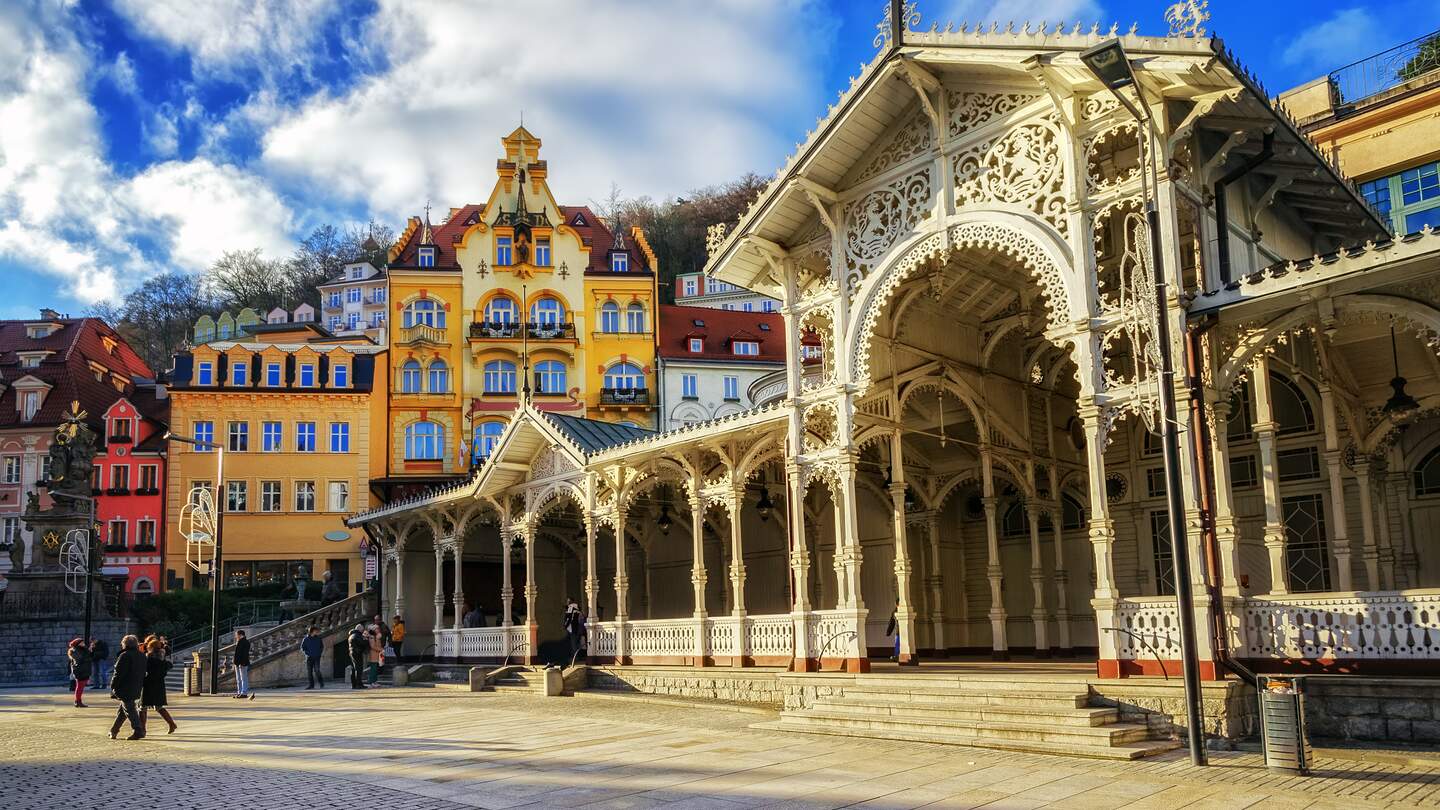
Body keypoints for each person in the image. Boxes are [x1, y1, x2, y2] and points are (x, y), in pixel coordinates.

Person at [108, 635, 146, 740]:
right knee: (123, 711)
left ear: (125, 644)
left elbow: (118, 673)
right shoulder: (142, 655)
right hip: (136, 686)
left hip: (125, 687)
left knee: (129, 710)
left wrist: (113, 685)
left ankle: (138, 730)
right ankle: (114, 730)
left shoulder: (124, 655)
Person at [140, 638, 177, 735]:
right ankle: (171, 724)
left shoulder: (148, 659)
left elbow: (144, 671)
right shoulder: (163, 661)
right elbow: (168, 666)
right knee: (158, 707)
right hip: (159, 686)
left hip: (148, 685)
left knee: (142, 707)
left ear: (150, 648)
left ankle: (143, 729)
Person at [67, 638, 92, 708]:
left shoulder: (82, 650)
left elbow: (87, 658)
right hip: (80, 671)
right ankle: (78, 701)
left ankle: (78, 701)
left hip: (84, 670)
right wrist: (88, 652)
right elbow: (79, 659)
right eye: (82, 642)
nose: (83, 644)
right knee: (79, 687)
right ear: (78, 643)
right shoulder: (74, 650)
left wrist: (89, 651)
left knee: (80, 687)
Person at [233, 629, 253, 699]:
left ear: (240, 635)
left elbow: (245, 654)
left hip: (242, 663)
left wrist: (243, 663)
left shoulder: (245, 642)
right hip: (238, 663)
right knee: (238, 679)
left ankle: (244, 692)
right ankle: (239, 692)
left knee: (243, 678)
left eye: (237, 635)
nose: (236, 636)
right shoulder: (239, 641)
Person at [346, 624, 367, 689]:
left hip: (352, 653)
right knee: (358, 669)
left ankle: (354, 684)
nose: (363, 631)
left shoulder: (351, 635)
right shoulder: (357, 635)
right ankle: (358, 684)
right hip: (357, 653)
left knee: (353, 669)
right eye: (362, 630)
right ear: (360, 629)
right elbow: (362, 643)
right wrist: (366, 639)